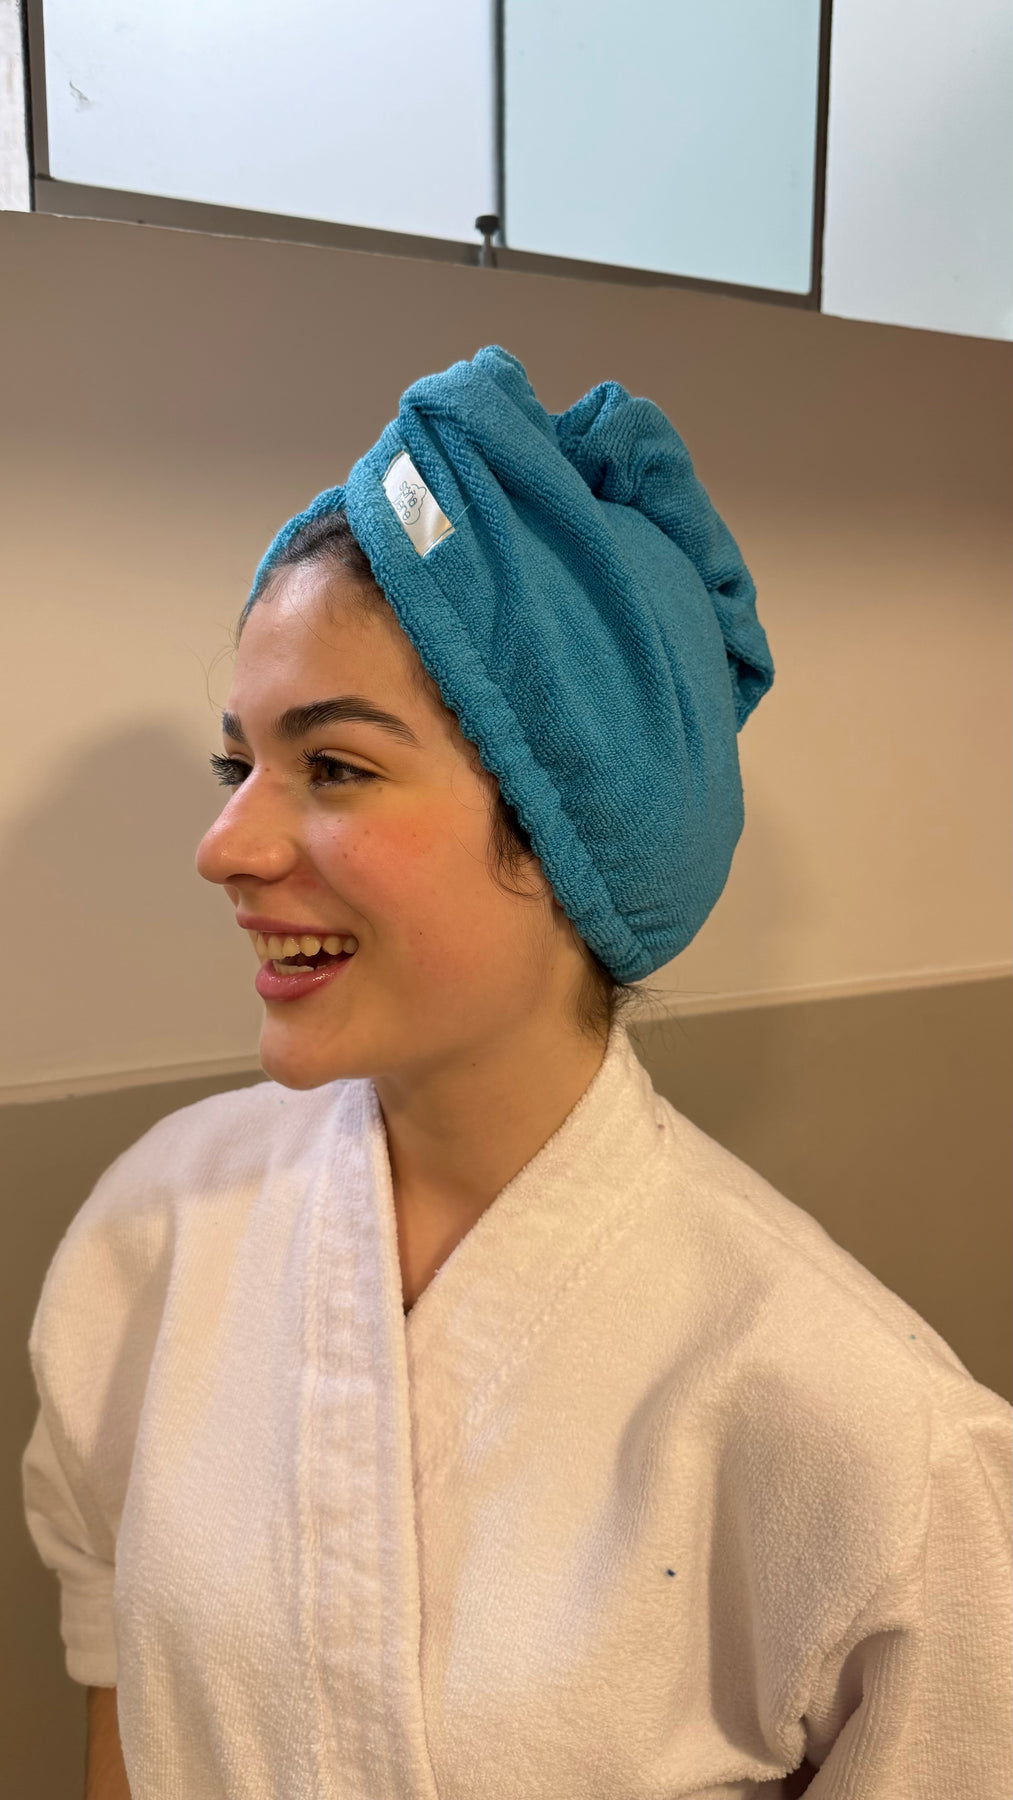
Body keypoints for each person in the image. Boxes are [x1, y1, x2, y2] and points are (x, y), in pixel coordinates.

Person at [22, 348, 1011, 1800]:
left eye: (335, 767)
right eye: (237, 765)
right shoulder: (156, 1232)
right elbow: (126, 1701)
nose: (225, 846)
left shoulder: (864, 1437)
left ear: (567, 832)